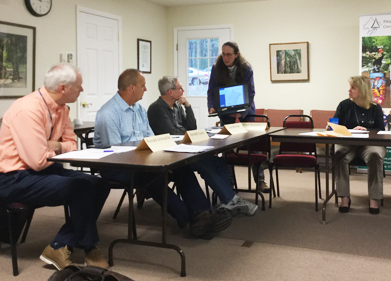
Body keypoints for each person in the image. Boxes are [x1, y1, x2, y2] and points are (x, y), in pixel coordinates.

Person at [93, 69, 232, 239]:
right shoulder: (109, 114)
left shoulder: (138, 109)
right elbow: (116, 154)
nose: (145, 89)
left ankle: (202, 214)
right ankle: (190, 221)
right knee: (155, 178)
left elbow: (151, 139)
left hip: (141, 159)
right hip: (117, 166)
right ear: (131, 88)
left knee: (182, 167)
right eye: (142, 86)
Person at [0, 63, 111, 270]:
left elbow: (72, 144)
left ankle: (60, 245)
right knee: (80, 188)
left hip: (43, 170)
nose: (82, 90)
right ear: (63, 88)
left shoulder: (61, 109)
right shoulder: (28, 110)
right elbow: (38, 161)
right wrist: (58, 149)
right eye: (79, 86)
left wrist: (56, 145)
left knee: (99, 183)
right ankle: (89, 246)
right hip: (13, 177)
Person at [147, 75, 258, 217]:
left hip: (184, 149)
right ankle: (232, 200)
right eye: (180, 88)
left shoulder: (177, 107)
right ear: (170, 92)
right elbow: (172, 134)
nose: (183, 91)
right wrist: (188, 134)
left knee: (217, 161)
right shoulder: (156, 109)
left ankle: (228, 200)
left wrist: (188, 107)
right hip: (170, 155)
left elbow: (192, 128)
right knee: (202, 162)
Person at [207, 41, 269, 193]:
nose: (225, 57)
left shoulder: (246, 68)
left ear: (236, 55)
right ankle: (229, 183)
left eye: (229, 54)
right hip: (226, 113)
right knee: (227, 148)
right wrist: (211, 106)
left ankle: (260, 181)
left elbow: (251, 93)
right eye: (223, 54)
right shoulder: (217, 68)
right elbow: (211, 91)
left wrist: (241, 114)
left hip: (246, 113)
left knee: (253, 146)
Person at [333, 76, 386, 214]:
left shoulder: (375, 108)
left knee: (375, 155)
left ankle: (374, 199)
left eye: (353, 88)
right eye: (350, 87)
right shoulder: (343, 105)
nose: (349, 90)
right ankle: (344, 197)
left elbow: (381, 131)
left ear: (362, 90)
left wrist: (367, 130)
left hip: (369, 145)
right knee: (339, 154)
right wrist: (331, 127)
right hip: (347, 144)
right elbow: (333, 124)